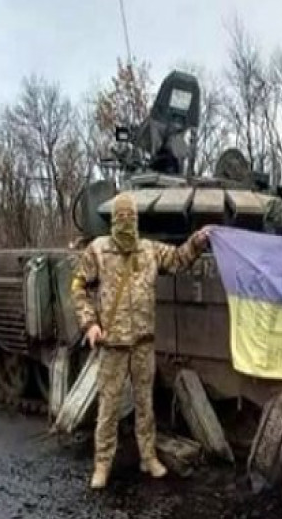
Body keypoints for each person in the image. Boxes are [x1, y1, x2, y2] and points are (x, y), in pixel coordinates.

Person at [70, 192, 211, 489]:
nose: (126, 222)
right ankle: (102, 464)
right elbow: (78, 285)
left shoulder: (148, 250)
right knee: (108, 407)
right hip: (113, 345)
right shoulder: (98, 250)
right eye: (121, 217)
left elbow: (177, 259)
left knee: (145, 405)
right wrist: (90, 324)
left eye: (130, 217)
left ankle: (148, 457)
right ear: (113, 220)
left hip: (143, 343)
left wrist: (197, 242)